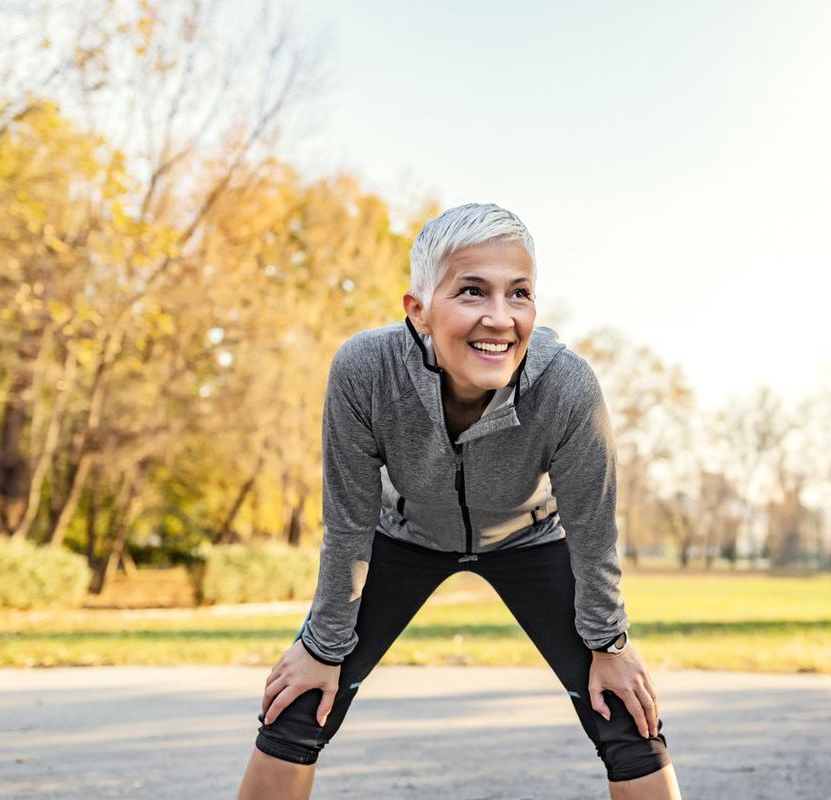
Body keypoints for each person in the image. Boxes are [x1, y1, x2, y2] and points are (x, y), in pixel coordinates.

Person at [236, 203, 681, 799]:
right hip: (404, 537)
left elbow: (593, 532)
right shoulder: (365, 370)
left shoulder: (567, 387)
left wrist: (609, 645)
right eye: (472, 292)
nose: (500, 318)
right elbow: (347, 523)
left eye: (518, 294)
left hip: (529, 539)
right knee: (299, 704)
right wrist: (322, 647)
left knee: (626, 714)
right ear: (418, 311)